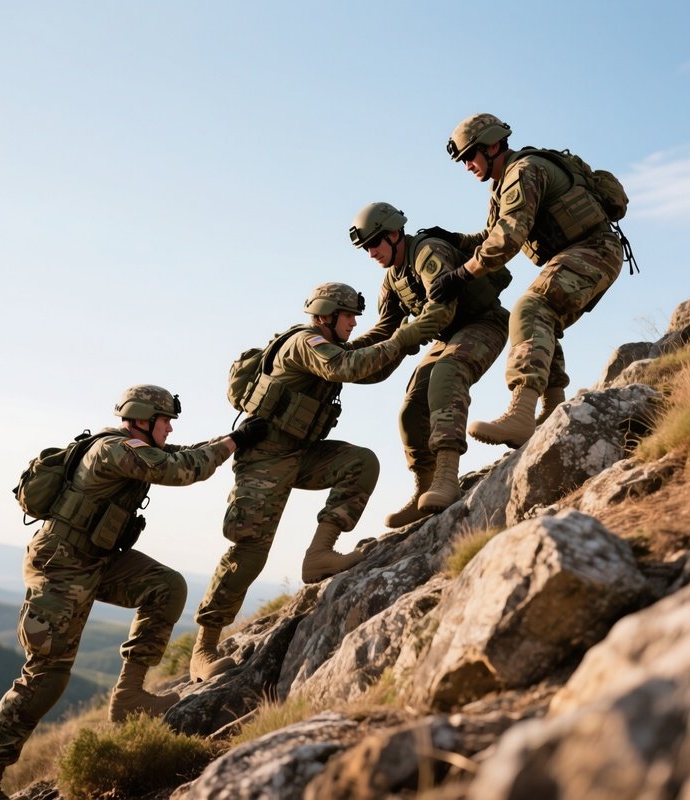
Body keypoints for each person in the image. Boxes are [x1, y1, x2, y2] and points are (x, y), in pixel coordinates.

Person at [0, 385, 266, 800]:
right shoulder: (115, 450)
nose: (171, 426)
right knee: (47, 676)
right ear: (143, 419)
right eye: (166, 420)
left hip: (97, 560)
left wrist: (231, 438)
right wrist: (235, 441)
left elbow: (179, 454)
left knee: (166, 587)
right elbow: (181, 469)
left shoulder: (135, 446)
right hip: (62, 565)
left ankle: (128, 697)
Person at [188, 283, 435, 682]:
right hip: (265, 457)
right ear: (326, 316)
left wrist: (396, 326)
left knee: (359, 463)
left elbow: (368, 365)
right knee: (249, 550)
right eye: (349, 316)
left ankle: (319, 554)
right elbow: (349, 367)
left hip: (301, 454)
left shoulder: (328, 341)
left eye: (356, 317)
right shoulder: (305, 342)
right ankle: (204, 647)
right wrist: (408, 334)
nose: (355, 323)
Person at [431, 113, 624, 448]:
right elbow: (491, 234)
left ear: (492, 146)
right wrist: (455, 239)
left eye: (469, 156)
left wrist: (461, 275)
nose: (467, 166)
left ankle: (520, 413)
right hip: (584, 251)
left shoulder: (524, 170)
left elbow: (506, 239)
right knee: (542, 317)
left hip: (595, 248)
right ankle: (551, 408)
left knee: (532, 308)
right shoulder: (504, 181)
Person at [348, 202, 510, 528]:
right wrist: (344, 356)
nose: (371, 253)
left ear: (394, 235)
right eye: (365, 248)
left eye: (374, 243)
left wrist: (402, 340)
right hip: (447, 337)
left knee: (447, 376)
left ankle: (447, 477)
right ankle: (425, 485)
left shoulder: (427, 251)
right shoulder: (392, 279)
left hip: (483, 323)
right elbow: (386, 329)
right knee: (411, 409)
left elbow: (441, 312)